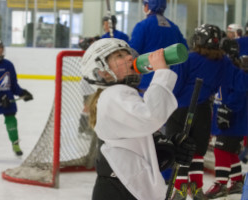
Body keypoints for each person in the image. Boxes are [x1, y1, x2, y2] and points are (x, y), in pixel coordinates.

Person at [81, 38, 195, 200]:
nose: (129, 57)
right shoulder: (112, 95)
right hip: (119, 190)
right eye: (119, 56)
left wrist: (172, 146)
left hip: (125, 186)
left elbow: (135, 145)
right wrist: (162, 73)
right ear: (103, 72)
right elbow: (151, 116)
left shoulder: (119, 96)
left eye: (128, 53)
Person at [167, 24, 248, 200]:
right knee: (197, 151)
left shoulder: (189, 59)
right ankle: (196, 187)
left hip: (181, 109)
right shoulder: (223, 61)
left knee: (179, 148)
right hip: (203, 110)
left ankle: (180, 188)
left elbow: (176, 85)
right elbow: (241, 83)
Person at [204, 38, 247, 200]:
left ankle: (220, 183)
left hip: (233, 118)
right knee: (228, 150)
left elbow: (240, 91)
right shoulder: (222, 67)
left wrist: (227, 109)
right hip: (225, 114)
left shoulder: (233, 68)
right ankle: (236, 181)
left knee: (220, 149)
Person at [0, 39, 33, 157]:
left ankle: (15, 143)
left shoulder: (8, 65)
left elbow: (13, 84)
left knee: (11, 120)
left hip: (8, 99)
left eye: (1, 46)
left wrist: (22, 93)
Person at [129, 0, 188, 91]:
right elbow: (184, 51)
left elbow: (132, 52)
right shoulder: (174, 27)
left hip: (147, 83)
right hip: (172, 83)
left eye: (144, 5)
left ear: (148, 6)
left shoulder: (142, 26)